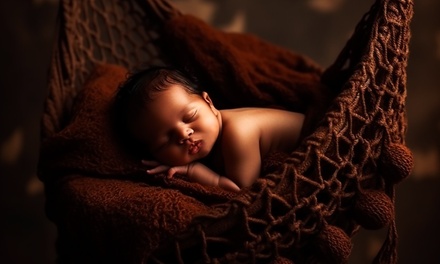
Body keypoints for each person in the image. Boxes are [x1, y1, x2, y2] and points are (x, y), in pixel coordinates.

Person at [113, 66, 305, 192]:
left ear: (209, 102)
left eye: (189, 117)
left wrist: (193, 170)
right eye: (165, 141)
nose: (183, 134)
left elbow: (243, 192)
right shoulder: (215, 136)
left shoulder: (239, 132)